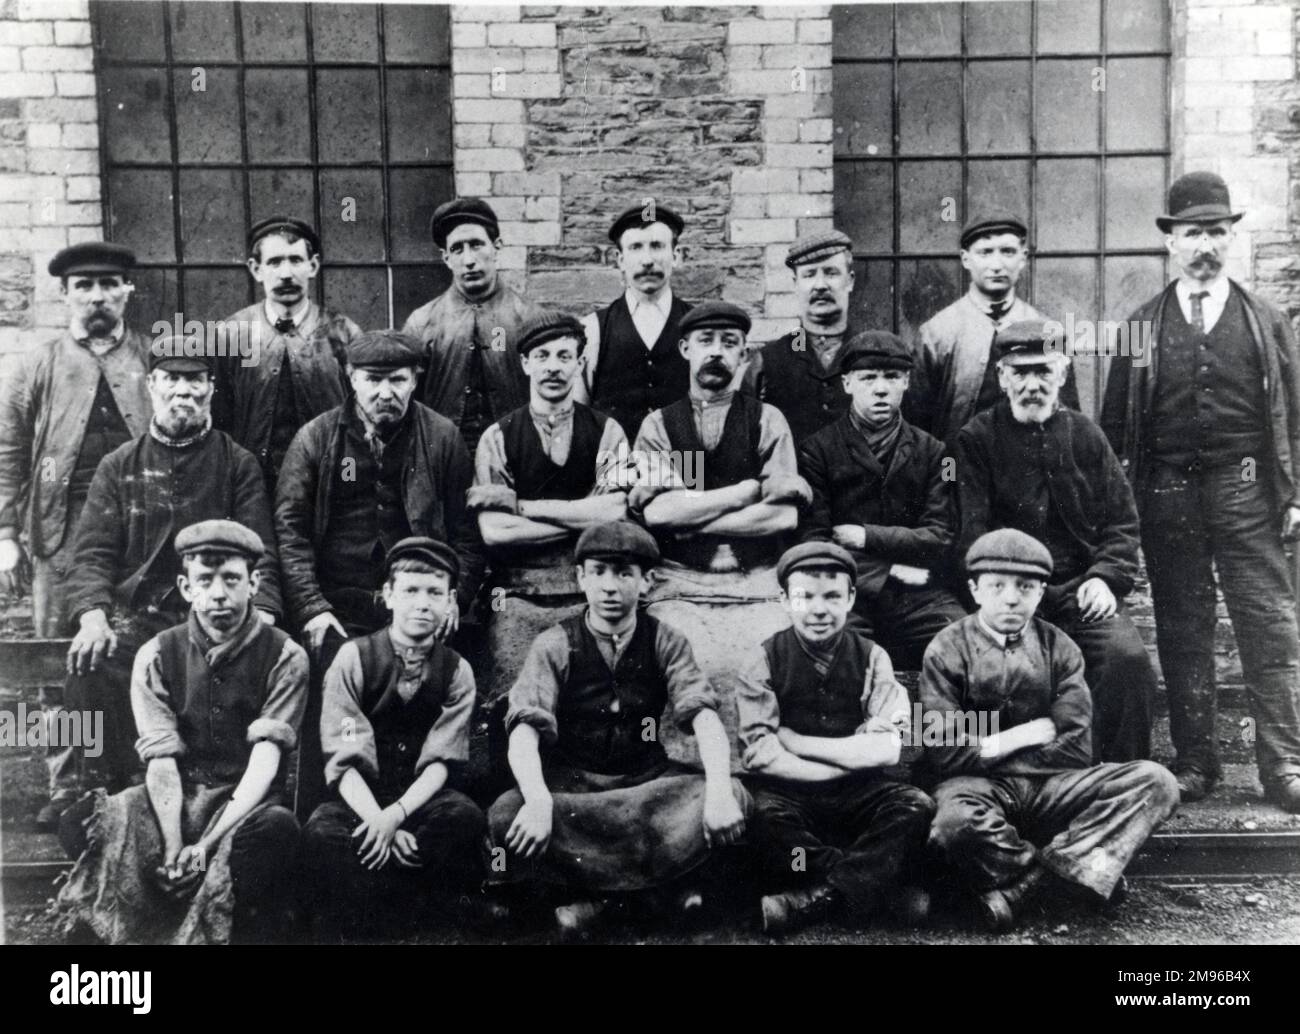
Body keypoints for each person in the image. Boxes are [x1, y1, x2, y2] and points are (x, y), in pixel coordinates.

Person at [1101, 171, 1300, 811]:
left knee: (1268, 626)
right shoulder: (1140, 325)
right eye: (1192, 233)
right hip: (1167, 493)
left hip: (1247, 489)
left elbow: (1295, 414)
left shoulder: (1266, 321)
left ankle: (1286, 766)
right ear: (1171, 243)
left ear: (1230, 237)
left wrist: (1295, 494)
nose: (1204, 245)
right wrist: (1120, 508)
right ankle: (1196, 763)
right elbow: (1112, 427)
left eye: (1216, 231)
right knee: (1183, 629)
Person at [487, 521, 750, 937]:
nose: (611, 586)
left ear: (647, 581)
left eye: (625, 573)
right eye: (599, 572)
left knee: (732, 794)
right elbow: (524, 728)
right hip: (576, 789)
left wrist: (718, 791)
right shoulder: (555, 643)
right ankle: (655, 896)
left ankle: (603, 905)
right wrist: (538, 801)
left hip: (647, 785)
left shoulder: (667, 640)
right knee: (507, 812)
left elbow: (703, 716)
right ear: (580, 578)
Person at [56, 520, 307, 944]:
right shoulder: (156, 654)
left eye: (231, 579)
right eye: (204, 580)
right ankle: (130, 918)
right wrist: (175, 846)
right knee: (81, 822)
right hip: (170, 799)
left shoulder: (286, 655)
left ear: (254, 583)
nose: (219, 594)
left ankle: (227, 919)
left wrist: (204, 847)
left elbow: (266, 762)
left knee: (277, 832)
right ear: (185, 586)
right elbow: (161, 759)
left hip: (241, 804)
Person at [921, 529, 1179, 932]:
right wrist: (1026, 734)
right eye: (997, 586)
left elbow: (1076, 748)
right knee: (954, 826)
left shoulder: (1060, 648)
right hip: (977, 788)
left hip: (1051, 786)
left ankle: (1029, 887)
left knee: (1156, 781)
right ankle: (1073, 875)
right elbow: (944, 750)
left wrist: (986, 744)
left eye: (1025, 587)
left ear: (1041, 593)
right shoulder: (946, 648)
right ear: (975, 590)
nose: (1011, 597)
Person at [61, 343, 281, 801]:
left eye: (195, 381)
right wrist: (92, 614)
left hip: (211, 615)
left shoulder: (236, 463)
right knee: (91, 663)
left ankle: (205, 785)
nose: (183, 392)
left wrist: (263, 613)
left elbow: (261, 549)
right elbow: (92, 555)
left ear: (211, 390)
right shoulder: (119, 465)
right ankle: (92, 788)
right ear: (152, 387)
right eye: (172, 380)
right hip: (137, 614)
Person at [274, 328, 482, 812]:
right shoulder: (317, 438)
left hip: (416, 602)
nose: (386, 392)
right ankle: (329, 819)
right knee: (328, 689)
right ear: (350, 378)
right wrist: (310, 608)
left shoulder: (443, 438)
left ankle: (420, 812)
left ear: (416, 380)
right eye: (373, 380)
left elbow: (468, 533)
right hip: (338, 605)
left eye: (398, 380)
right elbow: (290, 531)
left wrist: (457, 596)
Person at [954, 320, 1156, 763]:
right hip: (1011, 596)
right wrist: (1009, 593)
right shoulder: (976, 440)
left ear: (1063, 374)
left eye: (1043, 372)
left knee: (1127, 660)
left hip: (1079, 593)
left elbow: (1122, 523)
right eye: (1020, 373)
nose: (1032, 385)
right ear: (1002, 377)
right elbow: (971, 535)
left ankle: (1123, 777)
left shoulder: (1087, 436)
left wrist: (1105, 578)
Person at [0, 242, 152, 828]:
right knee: (61, 664)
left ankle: (138, 776)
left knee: (138, 651)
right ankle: (68, 781)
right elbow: (10, 451)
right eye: (83, 286)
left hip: (138, 533)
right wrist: (8, 532)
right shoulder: (36, 366)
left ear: (126, 292)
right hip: (59, 535)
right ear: (65, 295)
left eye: (108, 284)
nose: (96, 296)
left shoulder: (154, 356)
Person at [735, 541, 935, 936]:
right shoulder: (762, 658)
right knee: (764, 820)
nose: (818, 609)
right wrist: (837, 765)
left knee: (915, 805)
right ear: (784, 600)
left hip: (859, 791)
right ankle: (872, 887)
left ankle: (817, 898)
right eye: (804, 597)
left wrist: (799, 742)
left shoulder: (873, 657)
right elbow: (760, 753)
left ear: (851, 599)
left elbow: (888, 747)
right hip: (789, 793)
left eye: (832, 596)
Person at [302, 537, 493, 940]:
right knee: (323, 831)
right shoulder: (354, 659)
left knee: (464, 818)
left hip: (420, 801)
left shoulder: (456, 671)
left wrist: (397, 816)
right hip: (361, 801)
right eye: (410, 590)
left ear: (450, 601)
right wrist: (377, 819)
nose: (422, 603)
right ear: (388, 595)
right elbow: (345, 757)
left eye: (434, 593)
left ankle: (418, 918)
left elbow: (443, 759)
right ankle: (373, 922)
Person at [471, 310, 630, 702]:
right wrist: (583, 516)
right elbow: (495, 532)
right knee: (516, 692)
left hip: (590, 588)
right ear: (525, 364)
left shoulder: (607, 431)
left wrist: (523, 508)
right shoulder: (497, 437)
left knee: (605, 694)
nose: (553, 367)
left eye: (564, 356)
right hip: (518, 592)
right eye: (542, 356)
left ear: (579, 364)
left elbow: (615, 514)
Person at [799, 330, 963, 669]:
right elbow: (815, 541)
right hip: (845, 592)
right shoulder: (816, 450)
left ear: (906, 382)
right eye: (868, 377)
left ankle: (947, 724)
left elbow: (941, 536)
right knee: (839, 654)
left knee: (963, 643)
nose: (880, 388)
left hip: (919, 597)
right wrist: (891, 569)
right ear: (847, 383)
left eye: (891, 377)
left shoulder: (936, 453)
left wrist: (865, 536)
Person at [212, 216, 360, 493]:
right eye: (275, 262)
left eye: (295, 260)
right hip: (253, 485)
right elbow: (219, 418)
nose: (286, 274)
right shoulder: (230, 334)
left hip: (326, 484)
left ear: (313, 265)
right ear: (256, 270)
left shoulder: (343, 333)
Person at [906, 211, 1077, 444]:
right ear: (966, 259)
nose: (996, 265)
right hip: (958, 467)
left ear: (1023, 258)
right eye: (985, 252)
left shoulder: (1048, 331)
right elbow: (916, 425)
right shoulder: (936, 333)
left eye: (1007, 251)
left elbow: (1068, 420)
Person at [402, 198, 542, 455]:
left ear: (496, 247)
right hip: (443, 456)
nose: (469, 260)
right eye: (457, 249)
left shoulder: (530, 318)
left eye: (477, 245)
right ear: (446, 258)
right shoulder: (421, 322)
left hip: (515, 452)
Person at [575, 202, 693, 439]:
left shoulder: (698, 328)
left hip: (687, 466)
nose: (647, 260)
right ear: (620, 259)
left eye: (657, 246)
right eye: (636, 247)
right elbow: (577, 416)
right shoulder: (593, 329)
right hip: (616, 468)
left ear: (676, 255)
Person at [742, 229, 858, 446]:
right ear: (795, 283)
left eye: (831, 273)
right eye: (809, 274)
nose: (820, 285)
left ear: (850, 281)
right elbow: (745, 441)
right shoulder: (767, 362)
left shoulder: (872, 351)